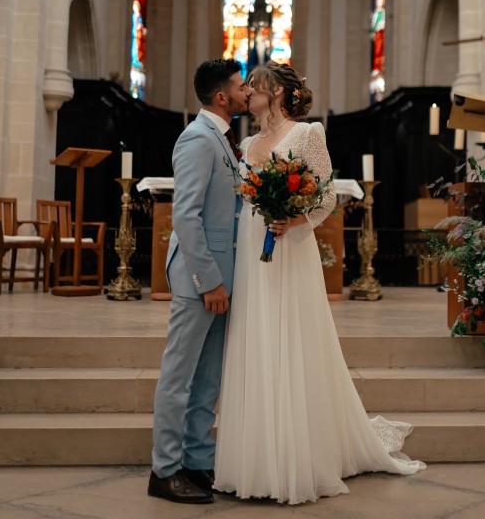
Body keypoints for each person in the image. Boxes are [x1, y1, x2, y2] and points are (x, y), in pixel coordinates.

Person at [214, 61, 425, 505]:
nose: (246, 92)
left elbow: (326, 194)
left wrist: (296, 219)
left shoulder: (308, 134)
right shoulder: (247, 142)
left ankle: (298, 456)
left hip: (289, 249)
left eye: (254, 85)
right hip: (253, 253)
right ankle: (257, 456)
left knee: (290, 341)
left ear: (274, 91)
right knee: (257, 340)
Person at [149, 59, 251, 505]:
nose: (248, 92)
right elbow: (185, 216)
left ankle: (196, 460)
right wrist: (209, 281)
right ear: (222, 97)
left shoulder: (224, 141)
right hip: (201, 280)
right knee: (179, 375)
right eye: (241, 86)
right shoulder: (196, 139)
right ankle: (164, 469)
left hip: (223, 280)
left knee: (207, 378)